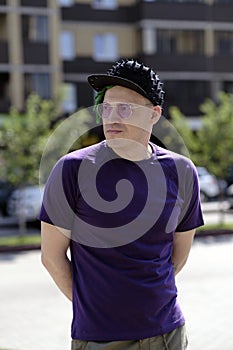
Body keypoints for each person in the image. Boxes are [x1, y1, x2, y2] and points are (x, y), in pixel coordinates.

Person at [39, 58, 204, 350]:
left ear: (154, 115)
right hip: (98, 338)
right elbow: (52, 257)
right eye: (106, 108)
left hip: (167, 335)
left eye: (125, 109)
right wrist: (97, 308)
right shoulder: (71, 170)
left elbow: (177, 256)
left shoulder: (182, 171)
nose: (111, 118)